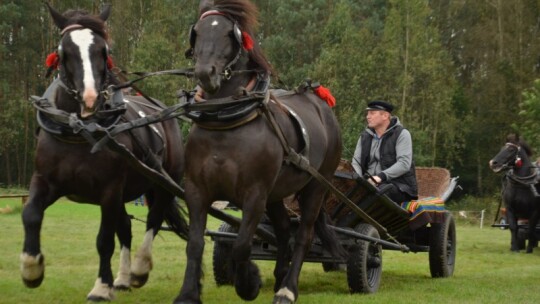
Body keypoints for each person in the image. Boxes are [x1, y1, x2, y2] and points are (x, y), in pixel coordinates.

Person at [352, 100, 418, 203]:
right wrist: (359, 181)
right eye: (368, 113)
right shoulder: (364, 136)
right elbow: (356, 161)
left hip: (399, 186)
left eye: (372, 113)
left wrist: (380, 177)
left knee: (379, 192)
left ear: (385, 116)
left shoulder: (402, 134)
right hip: (370, 183)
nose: (368, 117)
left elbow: (404, 164)